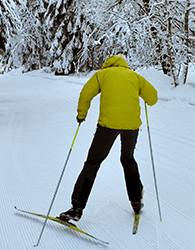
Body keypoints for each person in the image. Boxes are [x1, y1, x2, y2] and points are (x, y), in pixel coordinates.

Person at [58, 55, 158, 223]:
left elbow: (85, 94)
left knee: (93, 162)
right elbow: (153, 98)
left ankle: (77, 208)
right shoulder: (135, 76)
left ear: (108, 64)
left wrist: (81, 115)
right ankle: (136, 200)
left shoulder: (102, 75)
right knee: (128, 159)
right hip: (132, 126)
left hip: (107, 126)